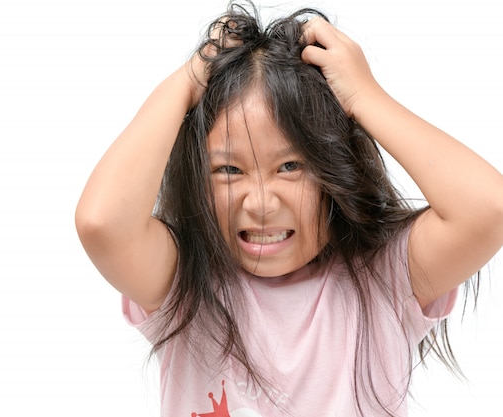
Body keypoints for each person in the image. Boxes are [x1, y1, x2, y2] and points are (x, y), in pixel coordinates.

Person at [75, 1, 503, 416]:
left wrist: (364, 96)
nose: (261, 203)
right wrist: (183, 84)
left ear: (336, 170)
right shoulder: (184, 286)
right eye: (228, 169)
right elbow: (102, 223)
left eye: (291, 165)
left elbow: (488, 209)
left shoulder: (384, 280)